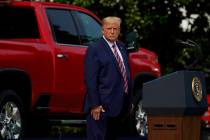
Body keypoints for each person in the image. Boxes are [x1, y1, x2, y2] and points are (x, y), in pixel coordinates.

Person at [84, 16, 132, 140]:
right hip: (101, 108)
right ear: (102, 30)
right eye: (109, 28)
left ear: (119, 30)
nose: (112, 31)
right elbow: (90, 79)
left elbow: (125, 74)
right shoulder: (95, 49)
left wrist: (129, 101)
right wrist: (95, 104)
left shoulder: (122, 47)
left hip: (119, 106)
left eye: (115, 29)